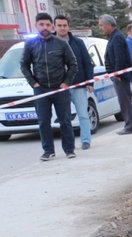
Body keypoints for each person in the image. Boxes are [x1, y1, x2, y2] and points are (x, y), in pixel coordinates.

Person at [20, 12, 78, 160]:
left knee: (65, 120)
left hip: (60, 88)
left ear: (52, 26)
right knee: (43, 121)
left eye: (47, 24)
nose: (44, 27)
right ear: (36, 25)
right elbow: (24, 65)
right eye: (41, 24)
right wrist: (33, 83)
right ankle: (48, 151)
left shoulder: (61, 43)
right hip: (41, 90)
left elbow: (73, 64)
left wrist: (66, 82)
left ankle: (69, 149)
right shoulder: (30, 44)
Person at [54, 15, 94, 150]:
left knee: (83, 114)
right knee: (65, 118)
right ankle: (69, 144)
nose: (62, 28)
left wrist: (89, 82)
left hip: (78, 84)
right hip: (60, 86)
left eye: (64, 25)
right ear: (54, 27)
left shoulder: (78, 43)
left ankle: (86, 140)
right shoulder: (50, 43)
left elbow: (87, 63)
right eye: (59, 25)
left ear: (68, 26)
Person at [99, 14, 132, 135]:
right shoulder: (114, 37)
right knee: (124, 100)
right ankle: (129, 124)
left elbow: (119, 57)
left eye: (101, 25)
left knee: (124, 101)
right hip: (118, 75)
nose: (100, 28)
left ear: (109, 25)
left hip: (120, 76)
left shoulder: (117, 38)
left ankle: (130, 125)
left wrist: (117, 74)